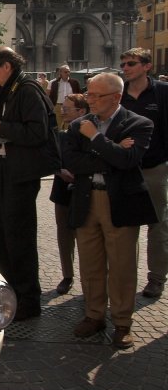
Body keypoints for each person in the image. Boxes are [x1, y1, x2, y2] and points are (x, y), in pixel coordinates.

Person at [63, 72, 156, 348]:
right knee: (90, 262)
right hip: (86, 198)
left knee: (122, 265)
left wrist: (95, 140)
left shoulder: (139, 123)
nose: (89, 100)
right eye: (89, 94)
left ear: (116, 97)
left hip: (120, 202)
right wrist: (110, 152)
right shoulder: (78, 124)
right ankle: (94, 315)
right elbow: (72, 162)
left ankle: (122, 322)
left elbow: (128, 160)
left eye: (96, 95)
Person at [0, 46, 60, 321]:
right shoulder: (4, 91)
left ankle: (29, 301)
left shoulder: (27, 89)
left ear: (7, 66)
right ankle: (10, 296)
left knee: (19, 237)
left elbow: (37, 131)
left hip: (21, 173)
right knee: (1, 235)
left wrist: (0, 127)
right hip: (3, 168)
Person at [119, 47, 168, 299]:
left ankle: (156, 278)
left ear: (147, 66)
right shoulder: (119, 95)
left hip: (153, 168)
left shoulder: (161, 92)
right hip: (124, 169)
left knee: (158, 224)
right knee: (126, 227)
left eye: (131, 63)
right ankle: (123, 279)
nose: (125, 68)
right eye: (124, 63)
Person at [49, 93, 89, 295]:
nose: (62, 111)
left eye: (67, 109)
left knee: (85, 237)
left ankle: (88, 279)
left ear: (81, 111)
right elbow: (50, 156)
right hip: (61, 190)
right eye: (62, 108)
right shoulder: (59, 131)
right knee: (64, 236)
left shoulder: (89, 131)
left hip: (83, 189)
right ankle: (67, 276)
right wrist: (58, 170)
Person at [49, 65, 81, 130]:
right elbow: (51, 96)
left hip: (70, 107)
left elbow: (79, 95)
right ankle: (60, 138)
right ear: (60, 73)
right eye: (65, 72)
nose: (68, 74)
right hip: (58, 106)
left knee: (69, 125)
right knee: (59, 125)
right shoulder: (55, 83)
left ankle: (68, 137)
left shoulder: (74, 83)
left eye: (69, 72)